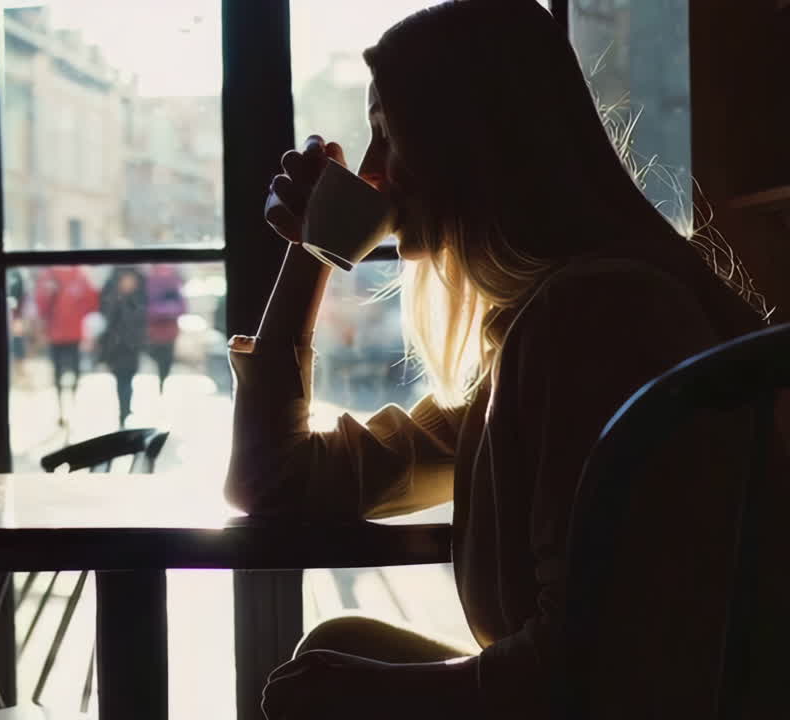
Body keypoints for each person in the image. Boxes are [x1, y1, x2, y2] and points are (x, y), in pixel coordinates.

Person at [229, 1, 781, 718]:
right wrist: (312, 250)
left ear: (462, 144)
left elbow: (607, 668)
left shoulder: (596, 318)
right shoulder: (539, 333)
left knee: (324, 679)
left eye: (387, 137)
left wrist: (372, 693)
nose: (370, 175)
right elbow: (276, 480)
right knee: (335, 646)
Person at [35, 265, 99, 425]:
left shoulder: (76, 275)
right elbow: (41, 304)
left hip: (67, 333)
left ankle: (68, 408)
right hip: (61, 334)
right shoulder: (57, 275)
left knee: (68, 373)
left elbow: (91, 302)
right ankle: (64, 409)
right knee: (64, 373)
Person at [99, 266, 148, 428]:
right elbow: (107, 322)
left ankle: (126, 410)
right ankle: (124, 411)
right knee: (121, 381)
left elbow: (142, 321)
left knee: (129, 380)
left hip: (132, 347)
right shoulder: (112, 298)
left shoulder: (140, 298)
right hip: (117, 348)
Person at [144, 264, 187, 394]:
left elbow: (181, 306)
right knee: (163, 361)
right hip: (160, 332)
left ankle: (161, 384)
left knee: (162, 361)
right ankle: (161, 384)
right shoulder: (169, 282)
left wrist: (158, 312)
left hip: (161, 331)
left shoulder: (151, 281)